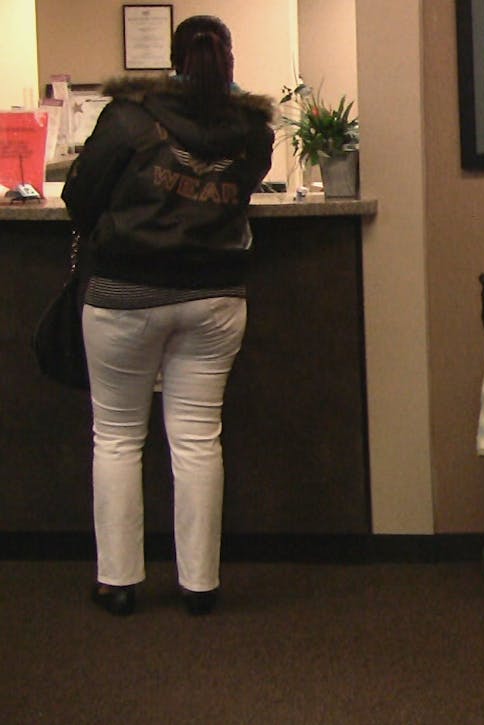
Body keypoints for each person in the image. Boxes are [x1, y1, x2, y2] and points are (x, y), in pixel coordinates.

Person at [63, 15, 275, 616]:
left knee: (118, 438)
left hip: (124, 293)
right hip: (214, 298)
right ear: (228, 60)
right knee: (197, 439)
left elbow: (81, 197)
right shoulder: (252, 130)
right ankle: (200, 585)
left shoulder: (130, 117)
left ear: (172, 60)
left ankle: (119, 582)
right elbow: (247, 185)